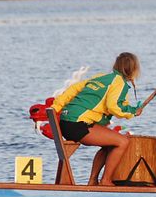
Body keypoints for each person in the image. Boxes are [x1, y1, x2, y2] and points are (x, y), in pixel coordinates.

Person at [51, 53, 146, 186]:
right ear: (133, 69)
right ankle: (106, 181)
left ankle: (93, 181)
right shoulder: (119, 83)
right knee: (123, 142)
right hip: (77, 124)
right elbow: (113, 106)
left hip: (66, 121)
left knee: (110, 144)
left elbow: (73, 89)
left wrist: (56, 106)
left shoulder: (101, 77)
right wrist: (132, 113)